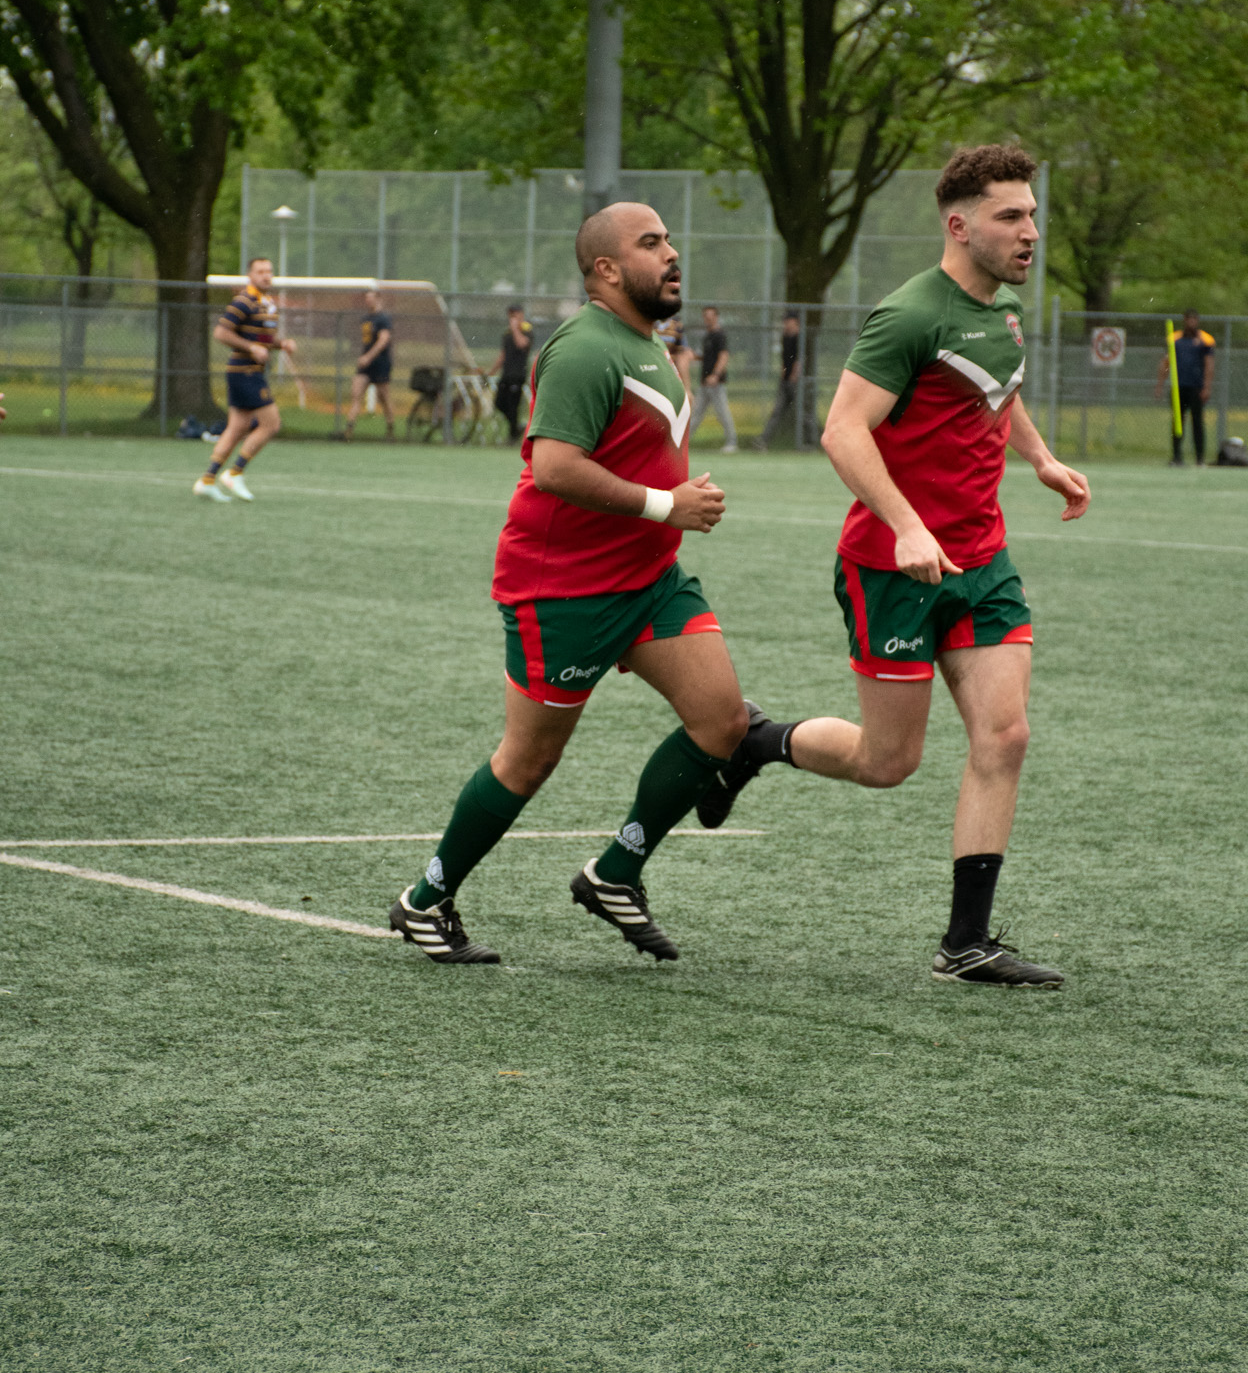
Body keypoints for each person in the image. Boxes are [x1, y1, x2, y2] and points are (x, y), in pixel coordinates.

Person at [696, 144, 1092, 989]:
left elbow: (995, 387)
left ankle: (967, 942)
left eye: (1030, 215)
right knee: (888, 762)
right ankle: (757, 744)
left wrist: (1040, 459)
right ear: (959, 226)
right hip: (891, 566)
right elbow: (843, 429)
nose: (1030, 232)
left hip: (981, 560)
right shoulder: (910, 313)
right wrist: (908, 527)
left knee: (1005, 734)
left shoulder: (1003, 312)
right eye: (1009, 217)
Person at [386, 202, 749, 966]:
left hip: (649, 578)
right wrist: (665, 504)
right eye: (651, 244)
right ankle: (425, 900)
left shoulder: (646, 342)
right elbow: (553, 467)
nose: (672, 253)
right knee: (528, 761)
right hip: (565, 591)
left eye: (670, 240)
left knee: (721, 723)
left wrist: (667, 508)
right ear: (606, 270)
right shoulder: (586, 348)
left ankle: (615, 872)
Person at [193, 256, 295, 501]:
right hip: (244, 372)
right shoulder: (244, 301)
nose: (266, 276)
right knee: (271, 424)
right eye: (260, 271)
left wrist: (281, 345)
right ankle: (235, 472)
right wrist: (250, 348)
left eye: (269, 271)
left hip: (249, 373)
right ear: (250, 275)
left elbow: (264, 341)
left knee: (237, 428)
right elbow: (221, 332)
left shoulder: (266, 302)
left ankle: (207, 480)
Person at [1157, 309, 1216, 465]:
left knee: (1197, 423)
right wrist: (1160, 385)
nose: (1191, 322)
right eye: (1188, 319)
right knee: (1177, 422)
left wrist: (1207, 387)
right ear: (1184, 320)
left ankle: (1200, 458)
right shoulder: (1174, 339)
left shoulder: (1206, 340)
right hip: (1178, 388)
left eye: (1194, 319)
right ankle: (1177, 457)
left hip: (1196, 387)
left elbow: (1209, 365)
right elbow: (1165, 362)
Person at [342, 286, 395, 440]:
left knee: (383, 397)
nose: (368, 300)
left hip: (380, 362)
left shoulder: (383, 318)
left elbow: (383, 340)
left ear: (378, 299)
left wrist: (369, 357)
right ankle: (349, 430)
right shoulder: (366, 319)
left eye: (371, 297)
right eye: (367, 298)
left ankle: (390, 429)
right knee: (356, 393)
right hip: (365, 363)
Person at [692, 304, 739, 452]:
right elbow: (707, 357)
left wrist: (716, 375)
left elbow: (724, 356)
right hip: (704, 382)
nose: (707, 319)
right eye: (705, 316)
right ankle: (682, 444)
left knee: (722, 412)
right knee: (696, 413)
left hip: (715, 382)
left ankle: (732, 442)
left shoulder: (719, 335)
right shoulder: (707, 336)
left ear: (716, 317)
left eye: (711, 316)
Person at [753, 310, 802, 450]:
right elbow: (784, 358)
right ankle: (763, 441)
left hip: (796, 381)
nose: (785, 323)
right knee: (777, 410)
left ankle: (808, 441)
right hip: (785, 380)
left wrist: (794, 374)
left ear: (795, 321)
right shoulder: (785, 336)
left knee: (802, 411)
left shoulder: (800, 336)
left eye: (788, 320)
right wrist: (784, 373)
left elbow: (800, 358)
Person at [485, 303, 532, 443]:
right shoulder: (507, 333)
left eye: (516, 314)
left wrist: (515, 329)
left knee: (513, 406)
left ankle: (513, 435)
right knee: (499, 403)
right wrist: (491, 371)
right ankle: (516, 427)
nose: (513, 318)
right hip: (506, 374)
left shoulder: (526, 330)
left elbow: (522, 344)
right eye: (511, 315)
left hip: (517, 375)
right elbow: (503, 354)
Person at [659, 315, 693, 393]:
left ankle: (686, 391)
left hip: (668, 366)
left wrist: (687, 389)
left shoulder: (676, 326)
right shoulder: (647, 321)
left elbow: (683, 353)